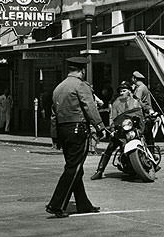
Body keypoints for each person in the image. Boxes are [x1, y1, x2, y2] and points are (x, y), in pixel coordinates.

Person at [46, 57, 107, 218]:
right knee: (73, 168)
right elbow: (89, 107)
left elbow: (54, 114)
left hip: (63, 130)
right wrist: (100, 126)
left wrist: (55, 136)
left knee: (74, 168)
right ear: (83, 71)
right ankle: (56, 204)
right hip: (77, 129)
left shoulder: (58, 88)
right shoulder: (81, 85)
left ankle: (83, 204)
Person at [90, 82, 142, 180]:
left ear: (130, 91)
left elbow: (140, 113)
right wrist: (113, 130)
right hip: (121, 130)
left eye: (124, 90)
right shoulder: (116, 103)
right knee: (110, 148)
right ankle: (99, 171)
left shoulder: (135, 102)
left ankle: (147, 163)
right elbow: (112, 118)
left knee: (143, 140)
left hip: (132, 129)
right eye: (121, 91)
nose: (122, 93)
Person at [132, 71, 156, 151]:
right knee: (149, 135)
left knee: (145, 134)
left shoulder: (140, 89)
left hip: (143, 114)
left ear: (135, 79)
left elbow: (137, 101)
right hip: (147, 113)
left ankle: (148, 152)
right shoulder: (143, 87)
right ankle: (151, 152)